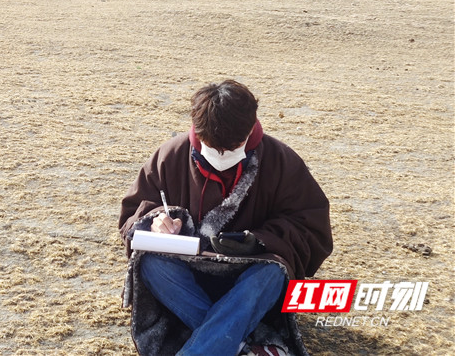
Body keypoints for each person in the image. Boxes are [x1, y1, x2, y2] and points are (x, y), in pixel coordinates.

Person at [119, 80, 333, 356]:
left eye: (233, 147)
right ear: (198, 130)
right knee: (149, 263)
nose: (222, 156)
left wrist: (259, 241)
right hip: (188, 276)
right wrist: (155, 221)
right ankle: (241, 344)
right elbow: (131, 215)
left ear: (250, 129)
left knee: (271, 274)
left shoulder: (282, 162)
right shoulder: (169, 156)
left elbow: (311, 227)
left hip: (248, 279)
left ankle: (211, 343)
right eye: (212, 147)